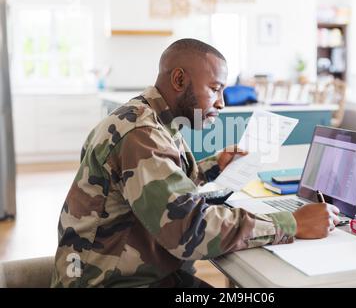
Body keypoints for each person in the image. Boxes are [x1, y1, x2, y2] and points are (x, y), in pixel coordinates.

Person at [51, 38, 340, 288]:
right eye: (215, 88)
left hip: (136, 272)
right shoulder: (141, 134)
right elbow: (189, 229)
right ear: (179, 80)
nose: (222, 103)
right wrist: (291, 223)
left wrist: (213, 166)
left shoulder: (150, 119)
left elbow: (160, 185)